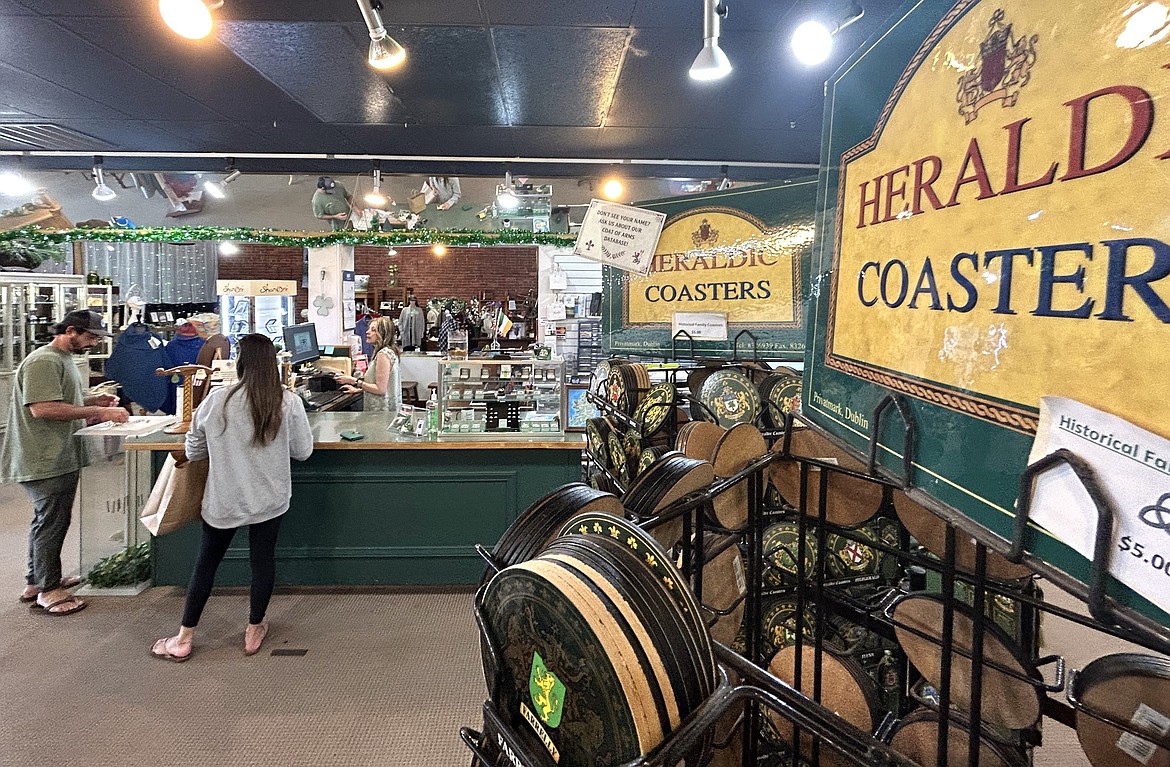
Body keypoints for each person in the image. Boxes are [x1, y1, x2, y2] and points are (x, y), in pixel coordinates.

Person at [150, 334, 313, 661]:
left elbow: (193, 450)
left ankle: (184, 637)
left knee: (207, 563)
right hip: (270, 499)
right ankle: (254, 629)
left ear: (239, 363)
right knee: (262, 561)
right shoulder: (287, 401)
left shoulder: (215, 401)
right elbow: (303, 451)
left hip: (224, 499)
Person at [1, 310, 128, 615]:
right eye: (91, 337)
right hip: (44, 455)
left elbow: (61, 398)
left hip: (57, 453)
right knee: (53, 522)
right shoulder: (44, 361)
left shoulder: (62, 360)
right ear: (71, 330)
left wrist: (92, 402)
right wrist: (101, 414)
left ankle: (38, 580)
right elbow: (42, 408)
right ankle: (49, 590)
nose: (94, 343)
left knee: (48, 519)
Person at [337, 316, 401, 412]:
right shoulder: (388, 351)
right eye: (368, 329)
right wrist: (358, 390)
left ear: (382, 334)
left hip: (381, 413)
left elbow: (380, 389)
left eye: (373, 330)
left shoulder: (383, 355)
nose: (367, 332)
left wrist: (354, 381)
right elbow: (383, 385)